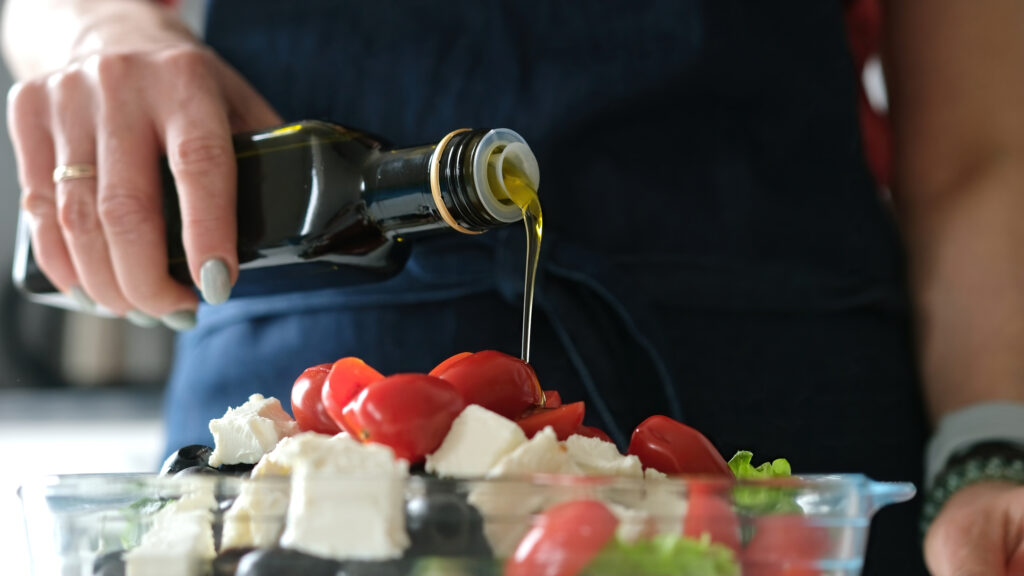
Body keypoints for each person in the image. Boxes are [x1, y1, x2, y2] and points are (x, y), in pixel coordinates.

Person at [3, 0, 1023, 573]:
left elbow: (984, 155)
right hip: (287, 433)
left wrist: (989, 451)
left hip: (781, 414)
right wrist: (104, 32)